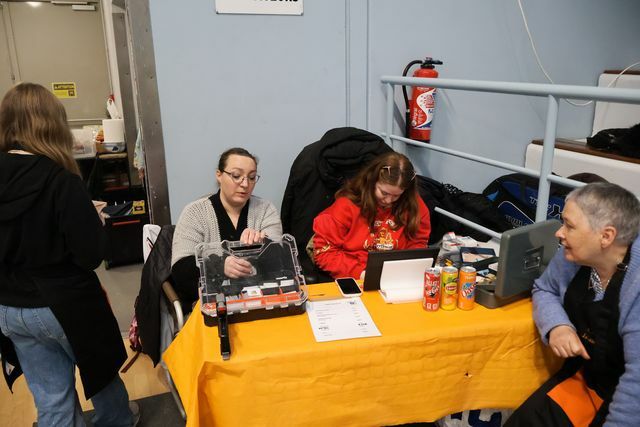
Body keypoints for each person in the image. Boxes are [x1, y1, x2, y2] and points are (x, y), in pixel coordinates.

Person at [0, 83, 135, 425]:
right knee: (100, 373)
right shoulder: (60, 180)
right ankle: (118, 420)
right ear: (52, 124)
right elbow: (90, 255)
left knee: (51, 398)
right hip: (64, 305)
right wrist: (93, 220)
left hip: (9, 306)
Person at [505, 182, 640, 426]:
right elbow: (545, 288)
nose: (559, 233)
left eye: (569, 225)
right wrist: (557, 326)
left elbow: (636, 384)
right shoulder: (574, 253)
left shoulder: (636, 286)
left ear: (606, 236)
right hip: (589, 381)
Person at [171, 147, 283, 306]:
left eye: (252, 177)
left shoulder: (265, 210)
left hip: (260, 302)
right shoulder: (195, 212)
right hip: (212, 306)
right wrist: (219, 266)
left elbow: (280, 263)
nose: (245, 184)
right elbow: (181, 271)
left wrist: (262, 244)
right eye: (236, 176)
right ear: (219, 175)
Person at [312, 152, 431, 279]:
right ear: (372, 181)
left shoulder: (414, 205)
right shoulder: (346, 206)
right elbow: (324, 252)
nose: (388, 200)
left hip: (395, 276)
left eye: (396, 195)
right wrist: (360, 273)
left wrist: (407, 269)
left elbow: (418, 244)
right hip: (355, 274)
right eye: (384, 193)